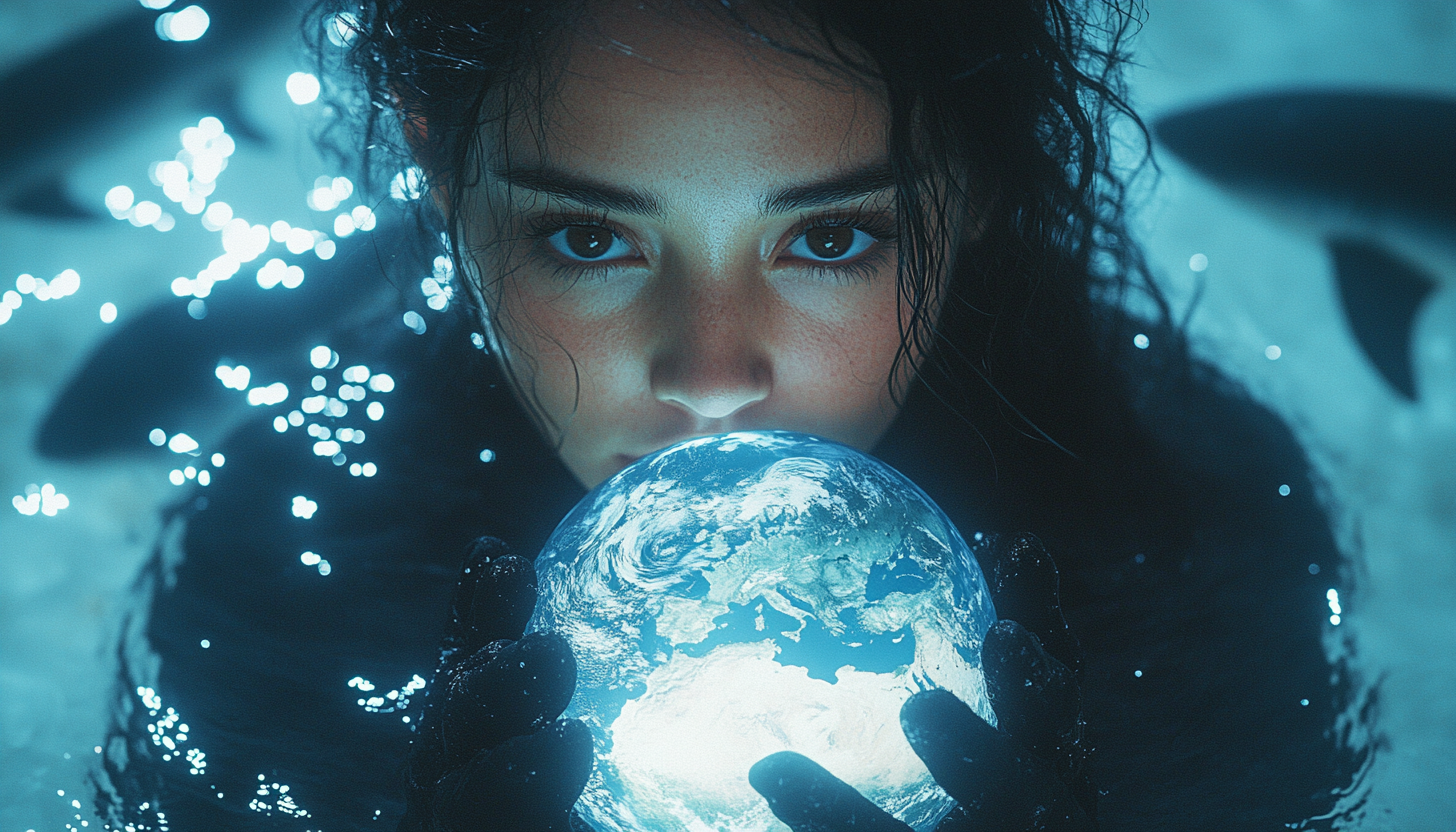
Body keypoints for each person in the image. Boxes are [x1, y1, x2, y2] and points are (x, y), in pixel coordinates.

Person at [91, 1, 1363, 829]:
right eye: (587, 236)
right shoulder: (286, 538)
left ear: (970, 182)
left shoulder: (1206, 525)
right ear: (442, 177)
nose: (709, 372)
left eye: (829, 235)